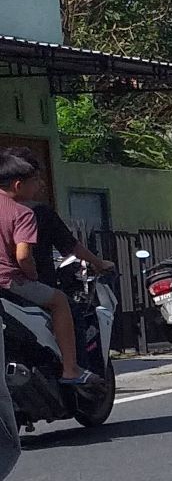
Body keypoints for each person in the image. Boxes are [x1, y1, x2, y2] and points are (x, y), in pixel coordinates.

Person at [0, 148, 95, 387]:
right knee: (62, 302)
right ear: (19, 184)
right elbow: (24, 255)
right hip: (12, 281)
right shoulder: (25, 212)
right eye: (36, 180)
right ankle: (71, 369)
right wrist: (30, 275)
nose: (41, 186)